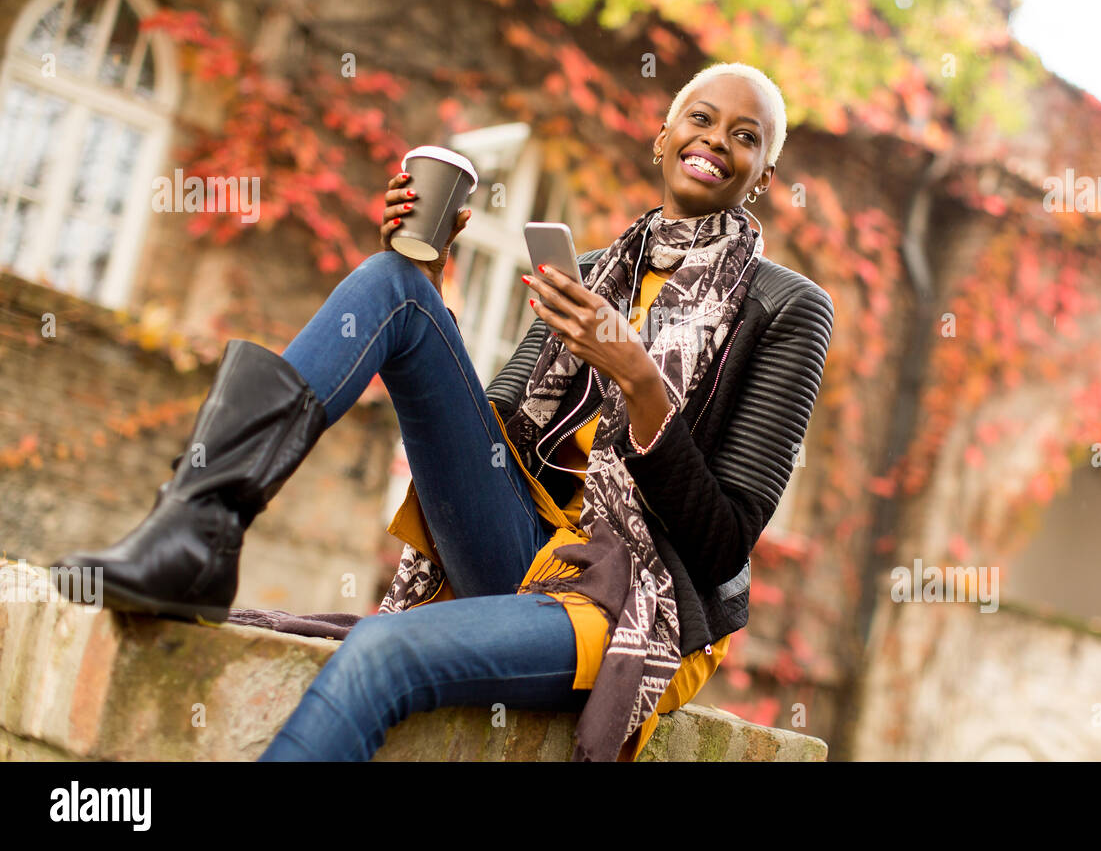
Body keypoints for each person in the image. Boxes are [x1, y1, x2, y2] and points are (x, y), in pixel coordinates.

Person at [57, 61, 834, 762]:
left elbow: (724, 541)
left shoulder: (788, 308)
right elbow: (491, 433)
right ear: (662, 136)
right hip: (521, 546)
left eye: (745, 135)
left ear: (763, 172)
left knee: (384, 652)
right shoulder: (595, 271)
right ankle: (201, 527)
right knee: (391, 282)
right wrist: (434, 278)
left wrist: (638, 381)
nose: (716, 140)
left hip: (637, 599)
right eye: (700, 118)